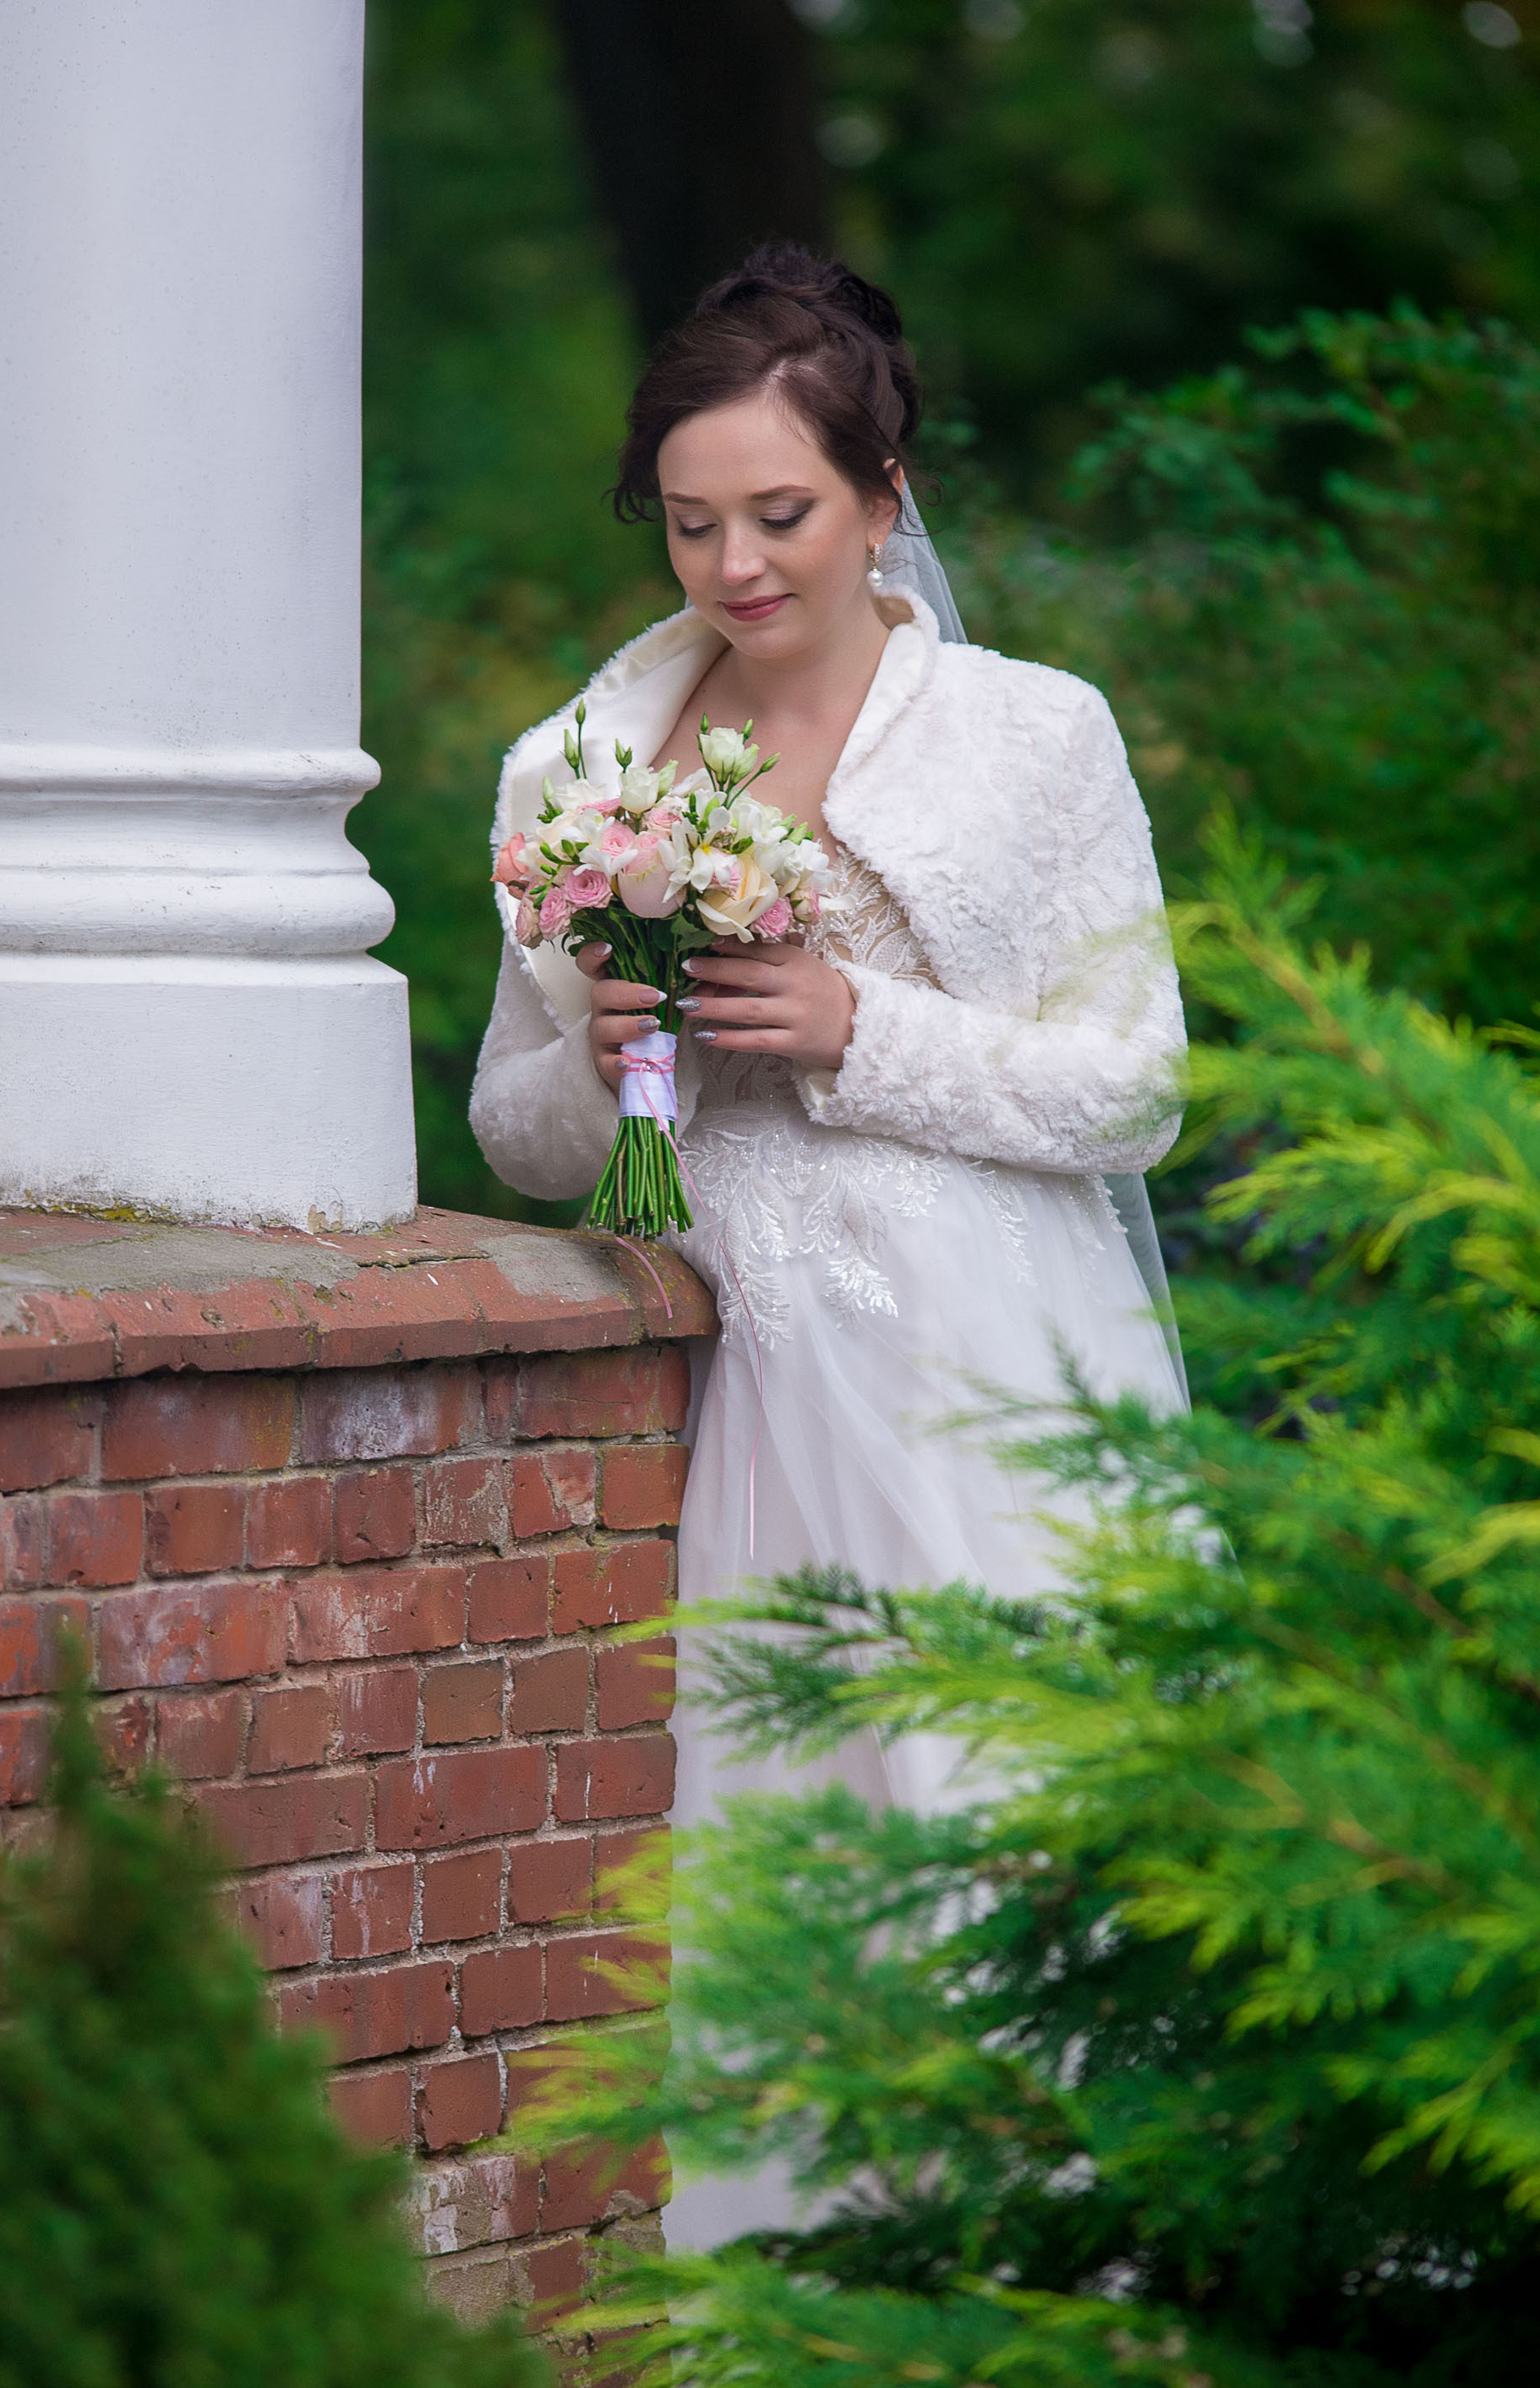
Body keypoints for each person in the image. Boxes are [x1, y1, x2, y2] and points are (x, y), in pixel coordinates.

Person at [469, 243, 1186, 1818]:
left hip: (994, 1362)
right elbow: (510, 1130)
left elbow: (1136, 1093)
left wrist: (860, 1028)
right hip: (739, 1372)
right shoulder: (581, 769)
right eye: (689, 522)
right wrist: (602, 1071)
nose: (734, 563)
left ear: (882, 498)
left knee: (1009, 1819)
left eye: (780, 515)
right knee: (787, 1843)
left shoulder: (1033, 734)